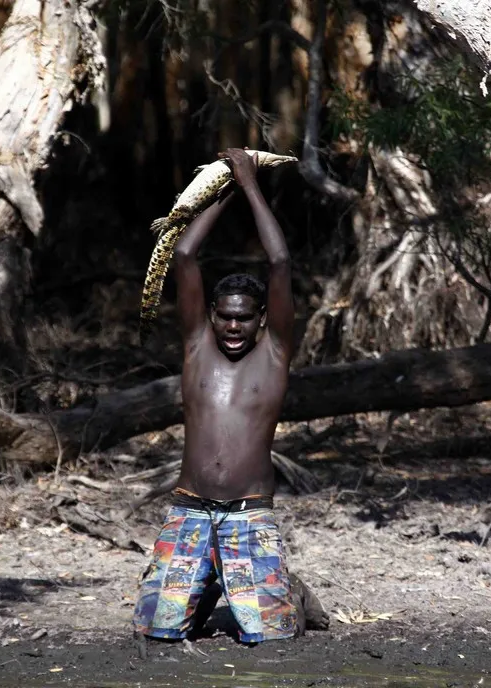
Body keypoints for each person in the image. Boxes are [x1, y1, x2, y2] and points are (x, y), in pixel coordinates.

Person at [132, 148, 318, 648]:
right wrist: (224, 188)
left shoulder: (274, 355)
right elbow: (187, 254)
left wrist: (252, 185)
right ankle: (212, 579)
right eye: (225, 316)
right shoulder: (196, 348)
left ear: (262, 320)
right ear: (211, 314)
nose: (234, 326)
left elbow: (279, 261)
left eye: (245, 317)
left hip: (248, 513)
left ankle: (285, 591)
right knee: (156, 629)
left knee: (272, 636)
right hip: (189, 509)